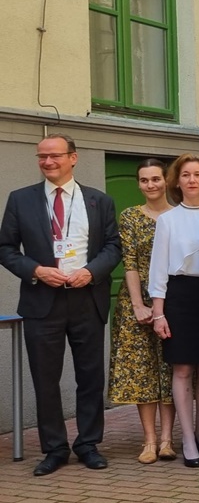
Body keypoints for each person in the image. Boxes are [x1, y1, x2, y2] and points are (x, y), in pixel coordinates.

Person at [0, 134, 122, 476]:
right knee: (45, 379)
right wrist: (36, 271)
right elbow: (5, 248)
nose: (48, 162)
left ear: (73, 158)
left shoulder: (98, 201)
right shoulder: (20, 199)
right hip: (42, 301)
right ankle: (54, 449)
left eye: (54, 155)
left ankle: (88, 444)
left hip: (87, 299)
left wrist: (91, 272)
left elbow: (113, 247)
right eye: (42, 156)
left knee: (90, 378)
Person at [148, 154, 199, 468]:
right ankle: (188, 438)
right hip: (179, 296)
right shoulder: (168, 219)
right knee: (182, 369)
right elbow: (158, 269)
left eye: (198, 174)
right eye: (186, 175)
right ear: (177, 182)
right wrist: (158, 313)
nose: (192, 180)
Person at [109, 158, 175, 464]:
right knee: (142, 371)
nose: (151, 185)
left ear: (166, 181)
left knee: (170, 369)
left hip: (173, 299)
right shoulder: (130, 216)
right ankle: (149, 440)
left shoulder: (178, 215)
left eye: (156, 179)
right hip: (136, 300)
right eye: (144, 180)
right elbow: (131, 262)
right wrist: (138, 305)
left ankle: (167, 439)